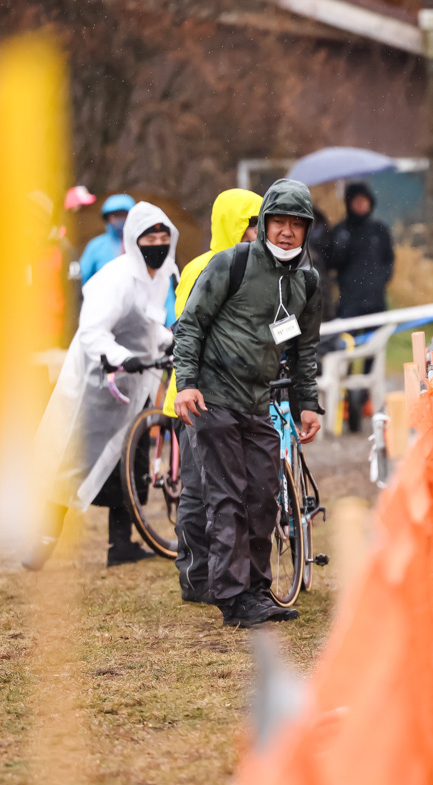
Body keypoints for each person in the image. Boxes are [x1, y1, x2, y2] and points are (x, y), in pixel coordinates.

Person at [174, 178, 322, 628]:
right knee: (227, 499)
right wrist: (186, 383)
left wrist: (307, 404)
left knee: (262, 497)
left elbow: (304, 350)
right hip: (212, 401)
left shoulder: (307, 283)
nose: (286, 232)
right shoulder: (232, 264)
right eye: (278, 221)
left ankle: (257, 590)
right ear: (263, 223)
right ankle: (233, 597)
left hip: (259, 405)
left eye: (297, 224)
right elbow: (190, 325)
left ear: (306, 231)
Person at [28, 201, 178, 569]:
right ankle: (44, 540)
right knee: (71, 458)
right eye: (149, 236)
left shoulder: (161, 273)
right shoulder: (117, 278)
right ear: (133, 239)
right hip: (96, 385)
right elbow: (93, 331)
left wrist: (165, 341)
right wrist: (120, 356)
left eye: (163, 235)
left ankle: (121, 543)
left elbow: (147, 323)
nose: (157, 242)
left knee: (131, 460)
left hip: (136, 382)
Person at [162, 188, 262, 604]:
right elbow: (187, 331)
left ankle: (231, 578)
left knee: (233, 490)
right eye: (253, 225)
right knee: (200, 492)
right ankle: (197, 577)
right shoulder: (202, 267)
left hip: (236, 397)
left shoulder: (264, 269)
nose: (261, 233)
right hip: (195, 400)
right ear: (236, 227)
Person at [324, 183, 394, 430]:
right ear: (349, 203)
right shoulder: (341, 231)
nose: (361, 205)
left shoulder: (380, 230)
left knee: (374, 355)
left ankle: (364, 399)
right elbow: (331, 263)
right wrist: (340, 247)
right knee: (346, 352)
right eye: (356, 201)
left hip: (376, 302)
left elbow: (388, 261)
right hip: (349, 304)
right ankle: (346, 401)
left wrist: (380, 281)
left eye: (365, 201)